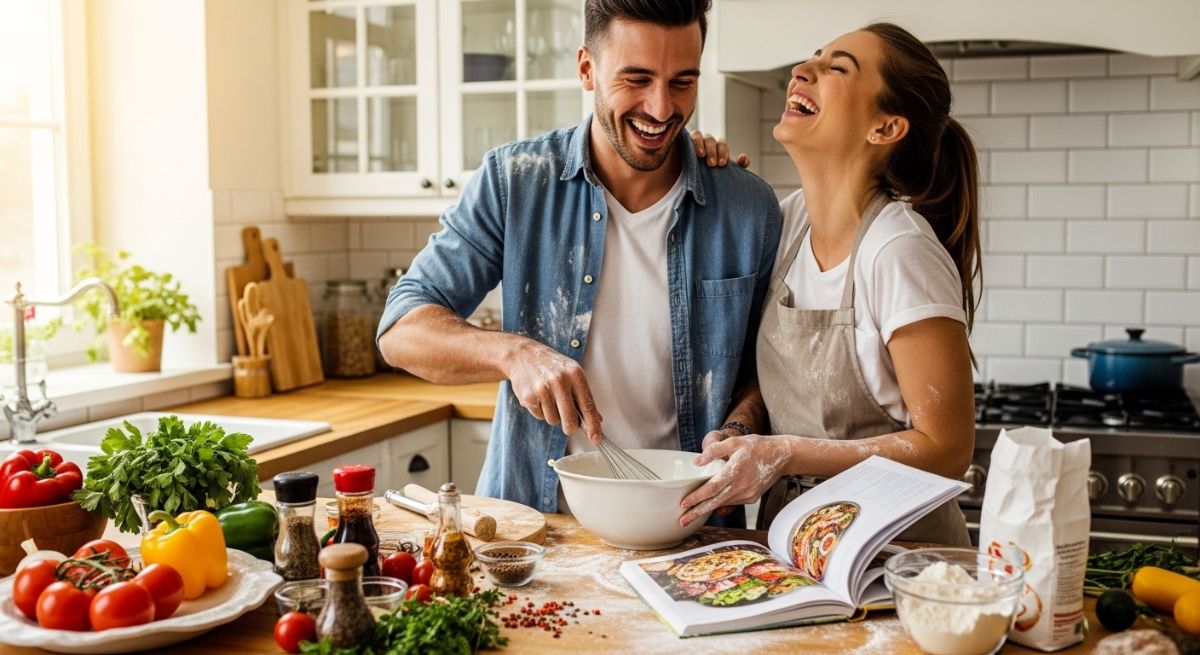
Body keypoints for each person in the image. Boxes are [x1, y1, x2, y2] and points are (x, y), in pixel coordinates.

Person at [377, 0, 781, 523]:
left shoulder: (747, 207)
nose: (661, 109)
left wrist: (741, 430)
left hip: (691, 532)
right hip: (533, 531)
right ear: (587, 69)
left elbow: (766, 370)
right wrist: (515, 354)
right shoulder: (515, 182)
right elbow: (400, 329)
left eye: (683, 82)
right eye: (636, 79)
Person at [679, 22, 981, 546]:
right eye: (813, 58)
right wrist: (745, 429)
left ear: (885, 128)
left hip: (900, 563)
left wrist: (787, 453)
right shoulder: (786, 223)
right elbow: (773, 380)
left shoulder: (899, 252)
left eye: (837, 68)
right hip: (800, 547)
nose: (802, 70)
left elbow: (948, 449)